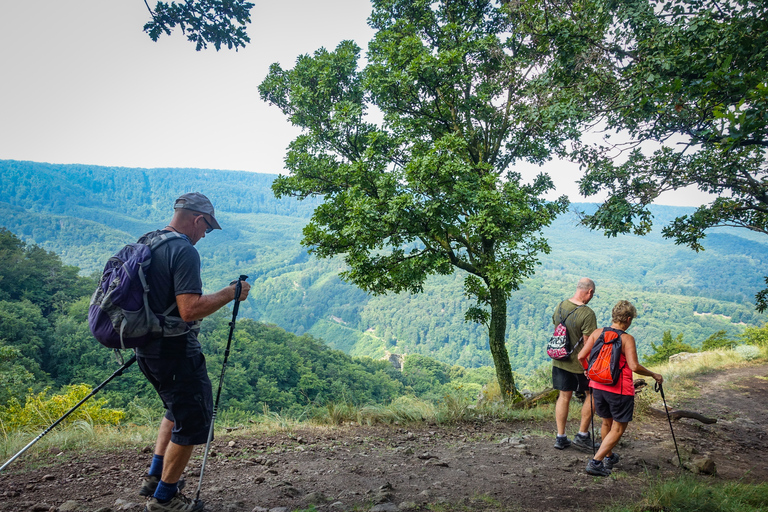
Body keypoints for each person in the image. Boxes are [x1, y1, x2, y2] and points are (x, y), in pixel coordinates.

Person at [135, 192, 251, 512]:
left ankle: (154, 478)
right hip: (175, 352)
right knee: (193, 422)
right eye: (207, 229)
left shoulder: (150, 240)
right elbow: (189, 310)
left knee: (175, 410)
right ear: (197, 220)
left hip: (147, 347)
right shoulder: (184, 251)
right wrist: (231, 293)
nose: (205, 235)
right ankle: (165, 498)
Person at [577, 300, 663, 476]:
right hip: (620, 390)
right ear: (628, 319)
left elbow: (580, 356)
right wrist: (654, 374)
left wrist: (587, 370)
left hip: (597, 387)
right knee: (617, 428)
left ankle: (608, 456)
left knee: (606, 422)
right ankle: (596, 462)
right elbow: (634, 366)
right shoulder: (626, 338)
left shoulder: (597, 333)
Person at [552, 277, 600, 452]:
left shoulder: (560, 306)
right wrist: (591, 366)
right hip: (580, 364)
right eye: (592, 295)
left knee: (564, 396)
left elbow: (557, 328)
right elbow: (589, 343)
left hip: (560, 359)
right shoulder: (587, 314)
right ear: (589, 292)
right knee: (592, 394)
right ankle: (582, 435)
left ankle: (561, 437)